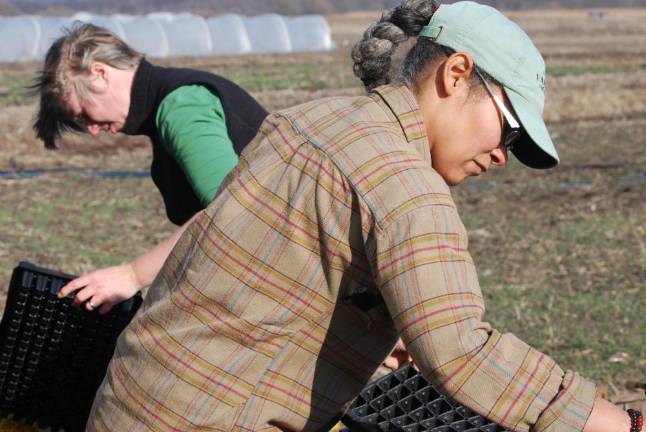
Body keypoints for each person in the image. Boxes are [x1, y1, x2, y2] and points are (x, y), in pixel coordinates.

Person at [86, 2, 639, 431]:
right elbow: (463, 353)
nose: (502, 155)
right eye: (511, 131)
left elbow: (267, 280)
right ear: (455, 73)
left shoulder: (312, 119)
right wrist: (619, 420)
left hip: (134, 401)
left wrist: (374, 333)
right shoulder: (406, 186)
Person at [31, 23, 268, 314]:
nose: (91, 130)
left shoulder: (182, 108)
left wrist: (133, 275)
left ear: (100, 73)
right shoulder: (172, 103)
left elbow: (233, 211)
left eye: (83, 113)